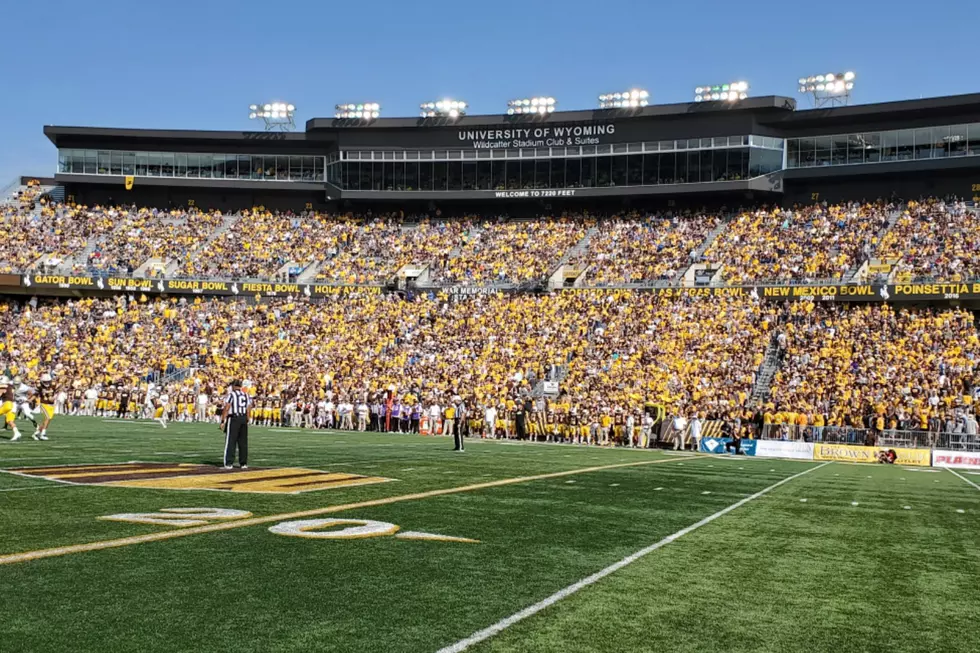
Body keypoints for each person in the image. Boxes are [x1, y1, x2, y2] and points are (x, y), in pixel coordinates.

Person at [220, 380, 252, 470]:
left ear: (234, 386)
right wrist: (248, 419)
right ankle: (243, 463)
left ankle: (229, 463)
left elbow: (227, 407)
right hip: (243, 418)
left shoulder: (232, 395)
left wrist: (223, 421)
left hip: (234, 418)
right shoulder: (246, 395)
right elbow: (248, 408)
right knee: (243, 442)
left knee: (231, 440)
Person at [0, 376, 25, 441]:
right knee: (9, 421)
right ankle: (17, 433)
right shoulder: (11, 386)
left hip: (7, 403)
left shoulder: (3, 386)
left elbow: (0, 393)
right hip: (13, 405)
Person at [34, 373, 56, 441]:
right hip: (44, 404)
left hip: (51, 405)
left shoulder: (53, 384)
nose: (47, 383)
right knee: (47, 418)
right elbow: (36, 392)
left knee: (47, 420)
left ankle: (37, 433)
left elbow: (54, 393)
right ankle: (43, 434)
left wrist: (53, 397)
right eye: (45, 381)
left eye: (48, 381)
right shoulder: (39, 386)